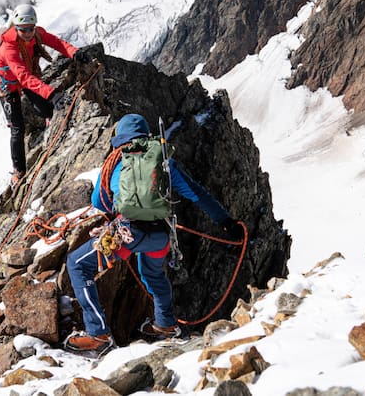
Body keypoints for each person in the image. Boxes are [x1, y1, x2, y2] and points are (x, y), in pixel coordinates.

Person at [63, 114, 242, 353]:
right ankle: (165, 325)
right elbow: (197, 194)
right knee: (153, 274)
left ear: (120, 137)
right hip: (160, 236)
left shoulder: (115, 161)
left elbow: (100, 202)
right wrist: (226, 222)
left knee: (76, 264)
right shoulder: (163, 160)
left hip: (126, 235)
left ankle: (97, 334)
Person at [0, 3, 89, 182]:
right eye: (23, 29)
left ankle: (47, 119)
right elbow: (23, 78)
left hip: (26, 77)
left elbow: (58, 43)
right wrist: (52, 94)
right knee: (17, 128)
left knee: (46, 109)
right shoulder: (9, 48)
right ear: (16, 27)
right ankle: (18, 172)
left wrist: (74, 53)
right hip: (9, 86)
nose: (28, 33)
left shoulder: (37, 34)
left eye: (31, 28)